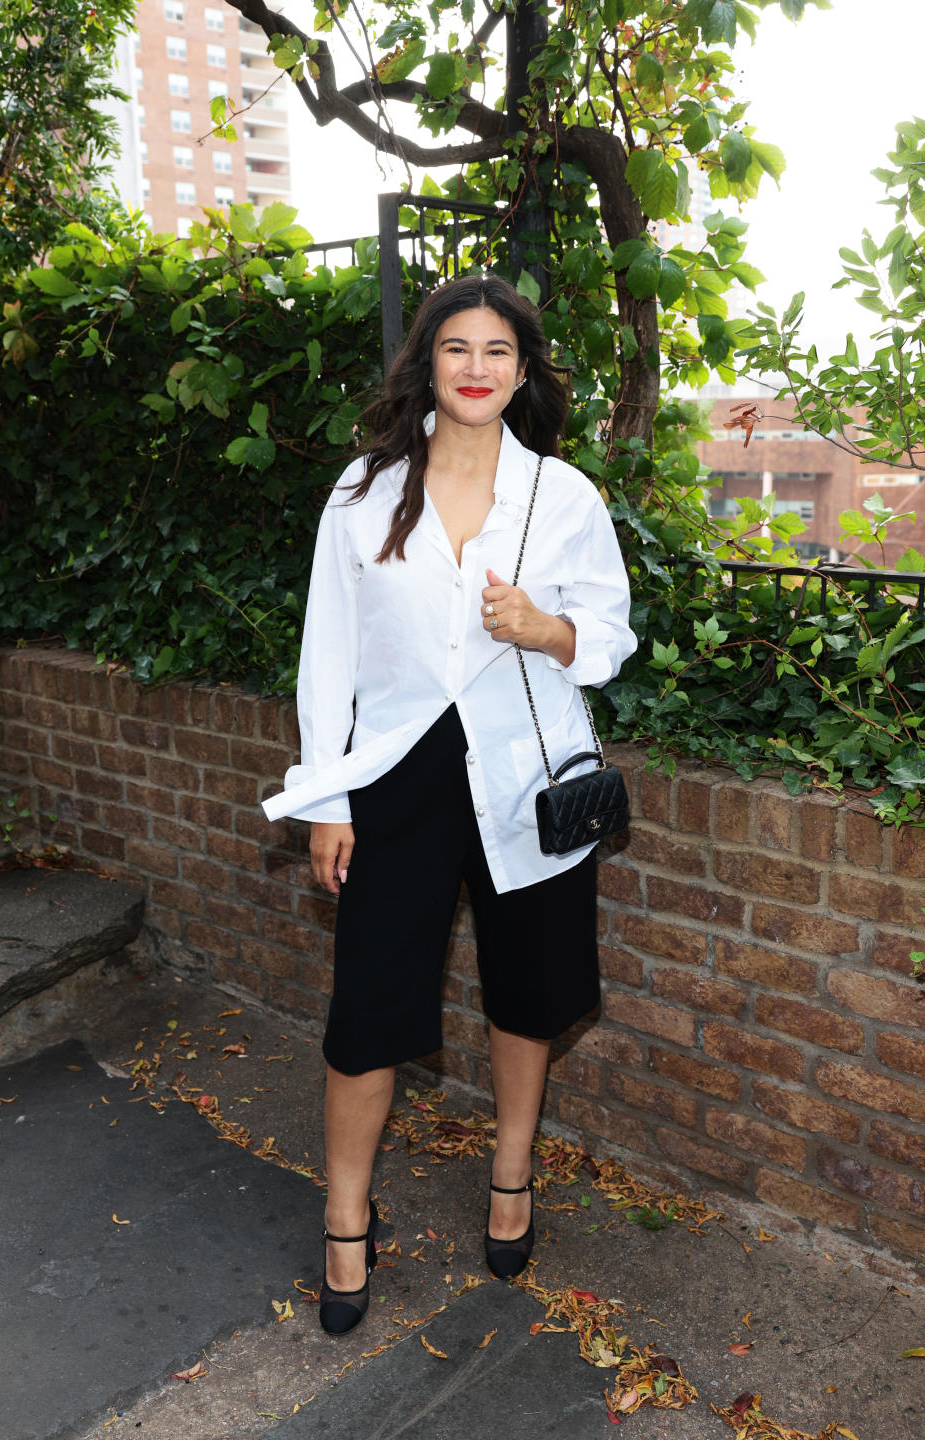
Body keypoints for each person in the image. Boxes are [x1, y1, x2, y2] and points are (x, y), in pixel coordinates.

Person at [263, 273, 637, 1335]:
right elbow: (326, 657)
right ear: (428, 361)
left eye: (498, 351)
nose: (477, 368)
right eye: (458, 348)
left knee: (527, 990)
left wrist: (546, 631)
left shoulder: (562, 496)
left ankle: (511, 1174)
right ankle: (347, 1215)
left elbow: (606, 640)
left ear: (524, 372)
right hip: (396, 774)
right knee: (367, 1007)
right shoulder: (363, 493)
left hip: (527, 772)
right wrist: (327, 797)